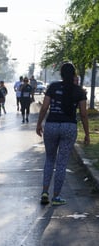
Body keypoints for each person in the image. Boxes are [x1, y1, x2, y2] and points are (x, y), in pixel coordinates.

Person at [36, 62, 90, 206]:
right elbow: (84, 114)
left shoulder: (53, 87)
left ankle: (45, 192)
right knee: (61, 163)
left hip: (52, 125)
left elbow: (45, 108)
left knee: (49, 159)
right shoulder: (79, 91)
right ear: (74, 74)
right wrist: (87, 134)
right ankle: (56, 197)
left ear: (61, 73)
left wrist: (39, 124)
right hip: (69, 127)